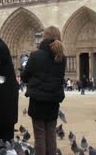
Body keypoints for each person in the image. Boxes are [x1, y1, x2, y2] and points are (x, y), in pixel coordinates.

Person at [21, 26, 65, 155]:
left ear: (44, 37)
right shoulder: (62, 57)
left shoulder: (36, 55)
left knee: (40, 135)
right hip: (53, 100)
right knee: (51, 134)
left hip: (38, 100)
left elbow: (25, 76)